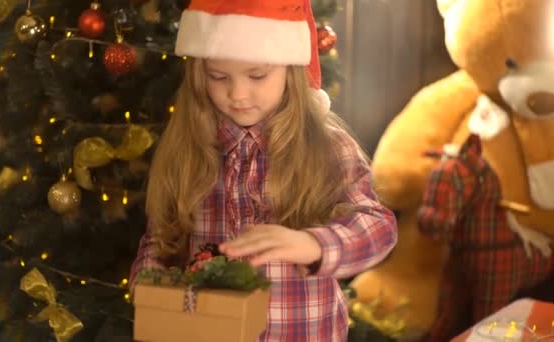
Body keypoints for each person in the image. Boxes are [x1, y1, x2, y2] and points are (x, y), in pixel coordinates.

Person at [129, 0, 398, 340]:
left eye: (257, 75)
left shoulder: (326, 146)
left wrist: (312, 245)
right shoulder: (188, 149)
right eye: (218, 76)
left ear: (290, 69)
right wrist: (150, 285)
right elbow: (160, 240)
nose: (238, 94)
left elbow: (379, 227)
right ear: (200, 76)